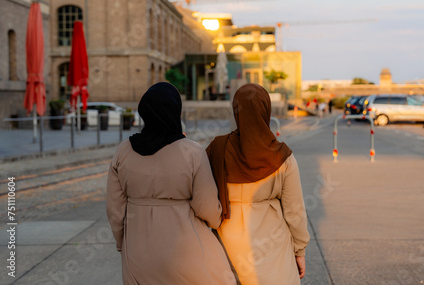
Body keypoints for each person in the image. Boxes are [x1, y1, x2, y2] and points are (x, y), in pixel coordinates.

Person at [106, 82, 237, 285]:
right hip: (187, 253)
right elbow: (207, 208)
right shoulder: (193, 152)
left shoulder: (123, 151)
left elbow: (115, 210)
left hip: (138, 252)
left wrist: (123, 243)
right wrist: (216, 222)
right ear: (176, 110)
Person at [206, 83, 310, 285]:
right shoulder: (282, 156)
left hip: (226, 246)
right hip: (272, 246)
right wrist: (300, 250)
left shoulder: (217, 149)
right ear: (266, 110)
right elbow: (295, 211)